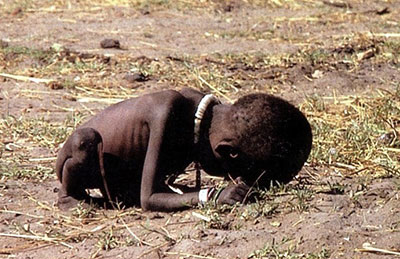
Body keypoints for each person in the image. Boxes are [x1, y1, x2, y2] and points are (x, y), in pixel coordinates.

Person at [55, 88, 312, 211]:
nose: (234, 180)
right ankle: (70, 196)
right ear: (227, 152)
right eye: (235, 174)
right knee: (83, 143)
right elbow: (149, 199)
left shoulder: (208, 119)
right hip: (85, 162)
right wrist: (209, 196)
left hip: (125, 176)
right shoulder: (168, 112)